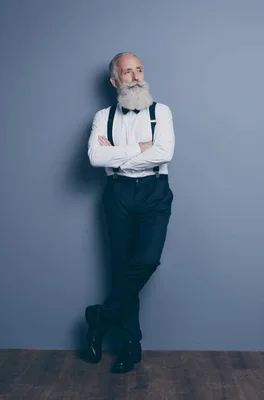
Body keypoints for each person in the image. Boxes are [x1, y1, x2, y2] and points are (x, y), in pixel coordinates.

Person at [84, 52, 175, 373]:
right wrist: (141, 149)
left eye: (139, 70)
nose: (135, 76)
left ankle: (100, 317)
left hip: (154, 191)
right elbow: (96, 158)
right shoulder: (102, 116)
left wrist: (117, 154)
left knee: (147, 261)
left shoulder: (161, 112)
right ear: (115, 81)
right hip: (118, 194)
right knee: (122, 268)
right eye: (127, 72)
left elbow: (165, 153)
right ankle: (129, 344)